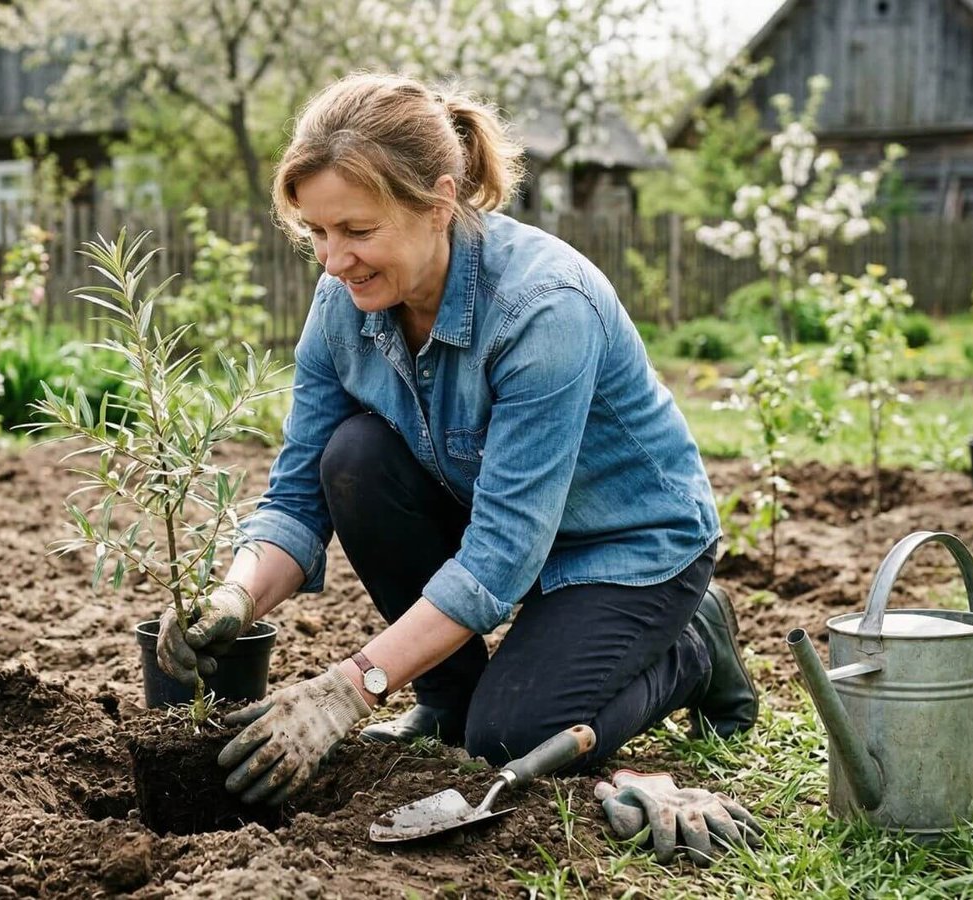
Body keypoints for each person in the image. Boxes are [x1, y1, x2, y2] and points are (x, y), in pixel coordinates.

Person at [155, 72, 759, 855]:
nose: (334, 260)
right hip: (498, 524)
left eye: (357, 231)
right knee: (354, 459)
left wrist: (354, 685)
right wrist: (235, 597)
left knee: (509, 742)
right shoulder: (345, 297)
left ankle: (692, 645)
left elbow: (501, 555)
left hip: (627, 548)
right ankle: (449, 695)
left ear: (439, 202)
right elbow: (300, 492)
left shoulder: (543, 308)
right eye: (317, 234)